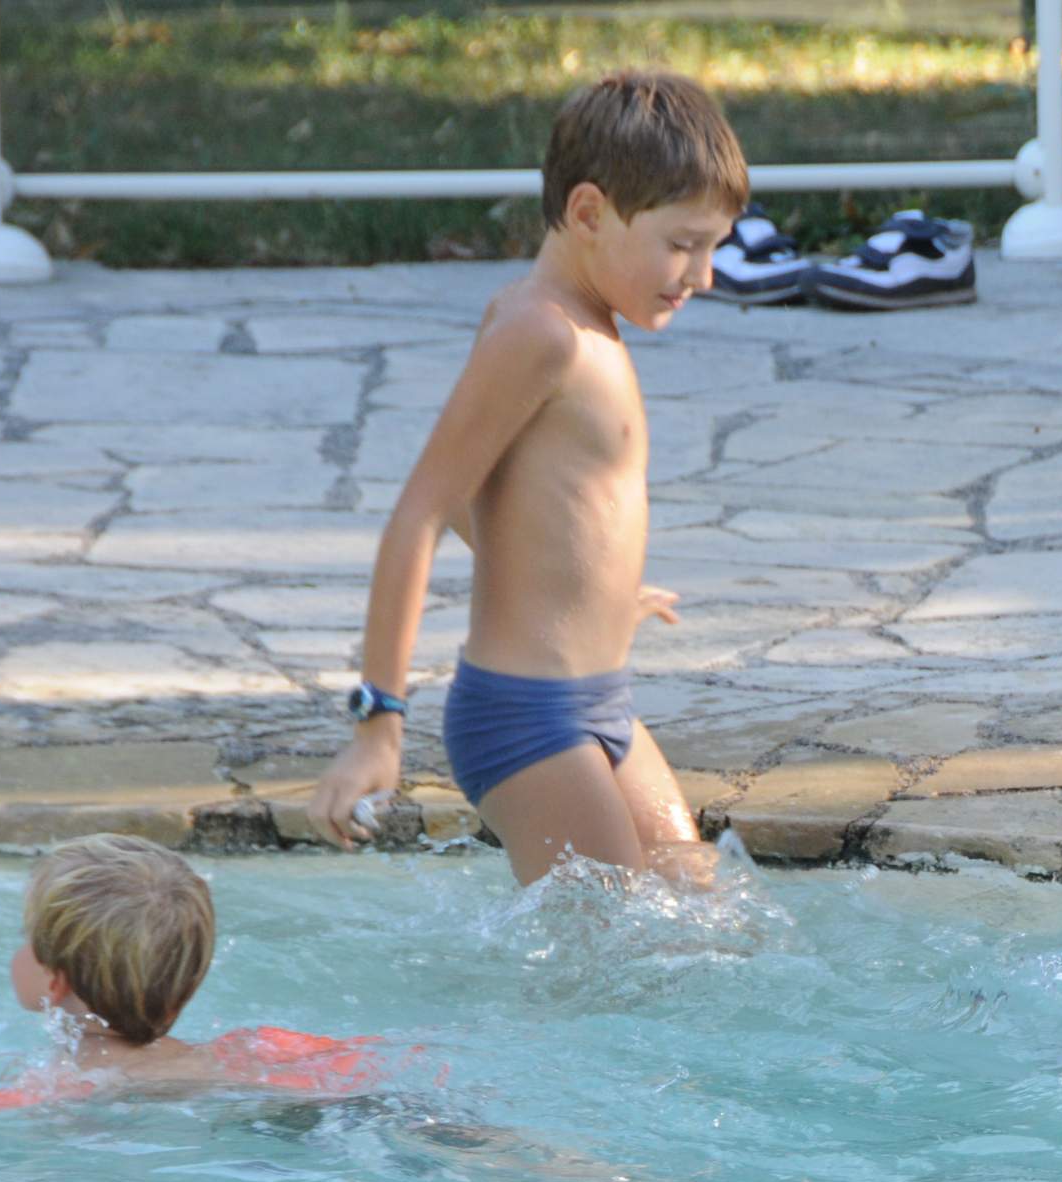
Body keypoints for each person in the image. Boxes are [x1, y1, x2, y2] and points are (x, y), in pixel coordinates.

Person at [308, 69, 748, 884]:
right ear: (588, 212)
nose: (703, 275)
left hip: (600, 701)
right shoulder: (540, 332)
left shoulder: (582, 325)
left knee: (701, 914)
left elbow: (493, 494)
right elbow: (421, 512)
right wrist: (379, 724)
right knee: (619, 967)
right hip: (527, 719)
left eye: (713, 248)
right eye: (683, 245)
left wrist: (585, 587)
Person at [0, 835, 375, 1111]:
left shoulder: (44, 1092)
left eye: (24, 936)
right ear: (189, 980)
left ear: (56, 981)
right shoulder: (251, 1053)